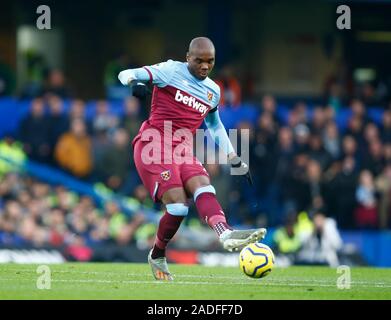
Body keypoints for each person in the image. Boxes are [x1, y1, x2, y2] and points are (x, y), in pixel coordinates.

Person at [118, 37, 266, 281]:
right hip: (154, 144)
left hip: (183, 149)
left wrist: (233, 157)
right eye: (199, 60)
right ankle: (157, 254)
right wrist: (135, 82)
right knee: (178, 208)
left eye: (210, 61)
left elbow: (215, 125)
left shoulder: (213, 91)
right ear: (188, 58)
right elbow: (125, 74)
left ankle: (225, 232)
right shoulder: (169, 71)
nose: (205, 66)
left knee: (204, 186)